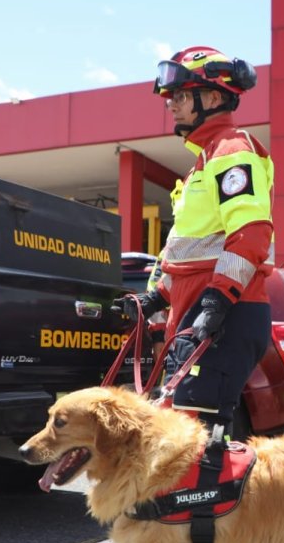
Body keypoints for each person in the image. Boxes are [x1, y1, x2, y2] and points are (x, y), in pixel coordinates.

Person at [112, 46, 273, 442]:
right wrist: (154, 299)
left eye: (181, 96)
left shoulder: (233, 150)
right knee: (180, 428)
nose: (172, 105)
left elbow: (251, 232)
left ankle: (215, 487)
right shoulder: (203, 162)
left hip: (225, 310)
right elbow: (192, 252)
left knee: (197, 436)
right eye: (171, 97)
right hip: (198, 308)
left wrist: (218, 300)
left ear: (213, 98)